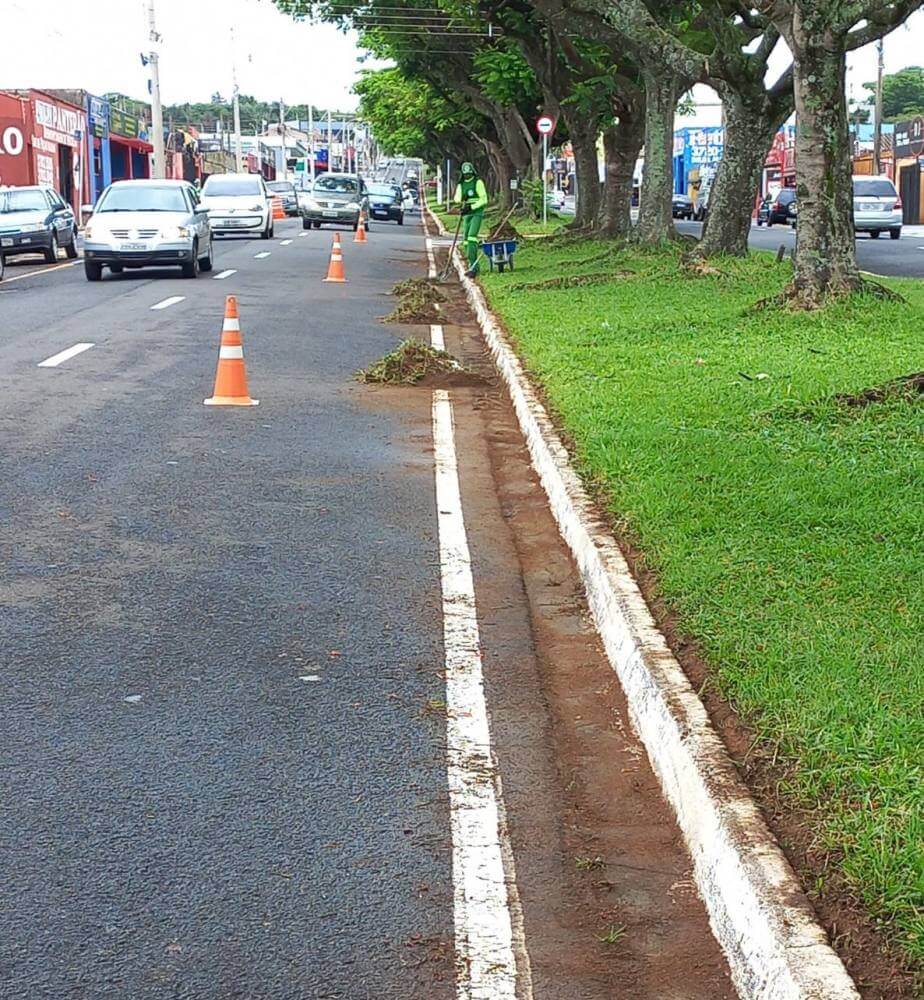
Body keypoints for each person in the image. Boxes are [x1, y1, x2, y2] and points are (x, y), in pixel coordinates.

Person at [453, 162, 488, 277]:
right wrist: (461, 200)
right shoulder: (461, 184)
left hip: (476, 213)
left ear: (473, 172)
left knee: (472, 237)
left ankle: (474, 267)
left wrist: (472, 207)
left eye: (469, 173)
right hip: (466, 214)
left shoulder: (478, 182)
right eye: (465, 174)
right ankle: (471, 264)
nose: (467, 175)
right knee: (466, 241)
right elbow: (457, 198)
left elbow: (484, 199)